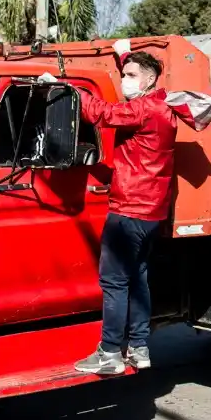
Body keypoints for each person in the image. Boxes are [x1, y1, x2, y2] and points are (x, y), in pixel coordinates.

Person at [73, 40, 176, 375]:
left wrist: (70, 91)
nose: (124, 81)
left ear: (149, 80)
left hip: (129, 208)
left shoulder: (143, 110)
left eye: (131, 76)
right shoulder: (163, 108)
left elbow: (103, 113)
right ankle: (139, 347)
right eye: (123, 75)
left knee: (115, 282)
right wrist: (124, 57)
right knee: (138, 278)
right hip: (152, 211)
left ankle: (109, 353)